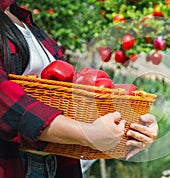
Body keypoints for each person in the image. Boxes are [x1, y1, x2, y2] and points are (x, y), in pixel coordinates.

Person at [0, 1, 159, 177]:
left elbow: (70, 102)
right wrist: (86, 133)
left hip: (59, 164)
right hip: (15, 165)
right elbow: (4, 100)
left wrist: (132, 127)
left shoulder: (29, 26)